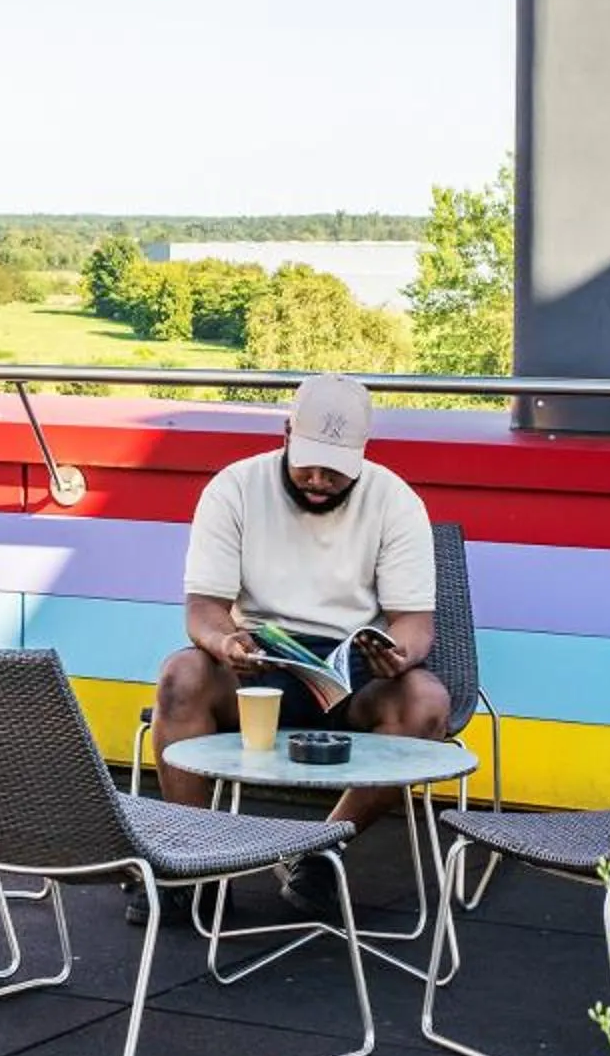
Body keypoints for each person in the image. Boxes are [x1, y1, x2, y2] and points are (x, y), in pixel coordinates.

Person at [149, 372, 449, 923]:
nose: (317, 478)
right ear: (286, 432)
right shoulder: (235, 487)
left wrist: (398, 654)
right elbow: (203, 610)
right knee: (180, 675)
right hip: (257, 663)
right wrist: (224, 641)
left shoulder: (395, 500)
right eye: (307, 461)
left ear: (363, 454)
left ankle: (319, 849)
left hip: (354, 672)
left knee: (426, 700)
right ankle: (194, 865)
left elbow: (414, 624)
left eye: (335, 470)